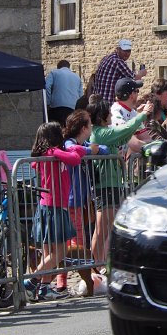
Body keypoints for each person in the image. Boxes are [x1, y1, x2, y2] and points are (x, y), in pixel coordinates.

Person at [23, 122, 89, 301]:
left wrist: (73, 149)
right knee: (59, 251)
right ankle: (30, 281)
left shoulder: (48, 154)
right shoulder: (52, 153)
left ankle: (44, 287)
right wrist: (78, 150)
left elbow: (74, 154)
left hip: (47, 206)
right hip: (54, 207)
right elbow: (76, 158)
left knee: (48, 252)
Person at [88, 98, 152, 263]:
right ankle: (96, 267)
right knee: (101, 231)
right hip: (105, 186)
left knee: (106, 230)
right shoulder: (100, 133)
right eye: (108, 112)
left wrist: (137, 115)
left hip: (112, 185)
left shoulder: (104, 131)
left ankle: (100, 264)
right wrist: (142, 115)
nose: (111, 114)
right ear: (102, 116)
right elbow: (124, 130)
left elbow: (124, 134)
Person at [58, 110, 108, 296]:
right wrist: (90, 151)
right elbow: (72, 151)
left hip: (80, 201)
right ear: (83, 127)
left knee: (72, 244)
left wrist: (93, 149)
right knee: (74, 245)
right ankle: (69, 282)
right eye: (89, 123)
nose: (92, 127)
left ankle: (66, 282)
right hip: (70, 200)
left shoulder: (83, 143)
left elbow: (104, 149)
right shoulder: (69, 142)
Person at [45, 60, 83, 125]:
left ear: (58, 67)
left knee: (55, 130)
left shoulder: (54, 73)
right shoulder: (77, 77)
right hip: (72, 109)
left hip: (57, 107)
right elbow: (81, 95)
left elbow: (47, 86)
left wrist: (48, 101)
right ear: (69, 67)